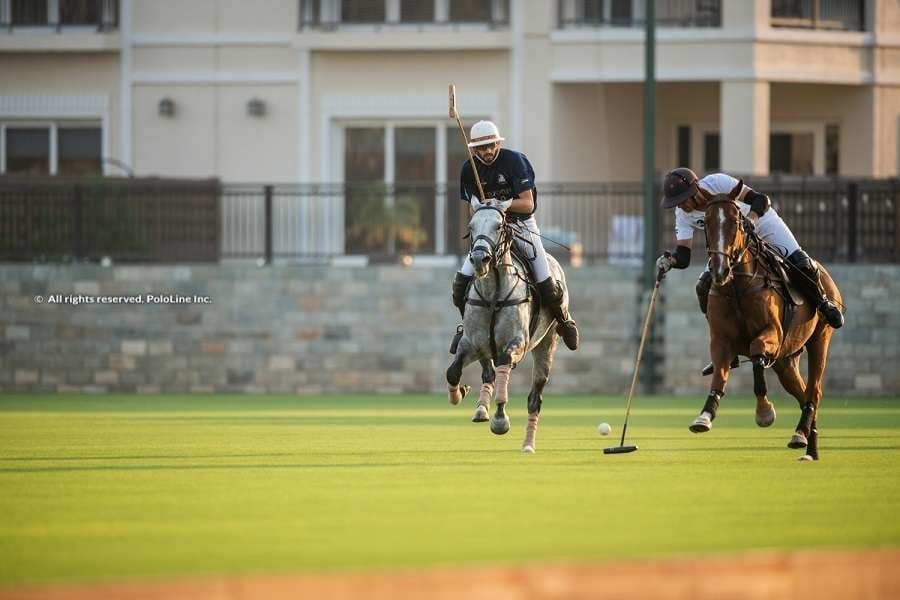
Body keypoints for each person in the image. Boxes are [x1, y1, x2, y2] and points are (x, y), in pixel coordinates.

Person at [656, 168, 844, 375]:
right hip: (730, 243)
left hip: (761, 223)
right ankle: (727, 348)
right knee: (703, 286)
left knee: (800, 262)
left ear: (695, 189)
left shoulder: (718, 182)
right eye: (677, 202)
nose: (682, 205)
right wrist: (670, 260)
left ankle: (824, 303)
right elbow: (684, 255)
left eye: (683, 199)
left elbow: (761, 200)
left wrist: (752, 219)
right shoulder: (682, 213)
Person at [450, 120, 578, 352]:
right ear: (474, 149)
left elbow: (527, 204)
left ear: (498, 143)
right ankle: (465, 328)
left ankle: (564, 321)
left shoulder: (514, 161)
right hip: (490, 229)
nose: (488, 151)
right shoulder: (468, 169)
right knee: (460, 283)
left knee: (547, 282)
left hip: (521, 225)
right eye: (482, 148)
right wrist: (485, 208)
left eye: (491, 145)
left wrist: (502, 204)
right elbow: (472, 207)